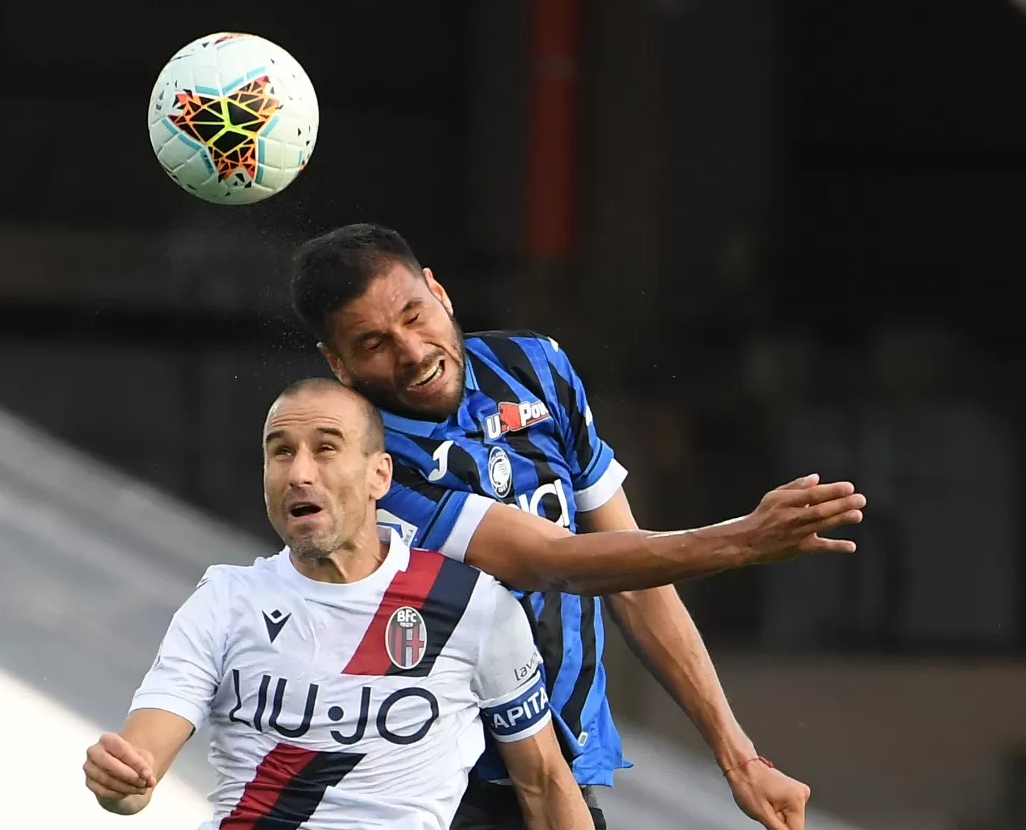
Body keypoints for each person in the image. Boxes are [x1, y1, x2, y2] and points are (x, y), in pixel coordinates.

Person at [289, 223, 868, 830]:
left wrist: (738, 756)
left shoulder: (535, 367)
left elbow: (634, 576)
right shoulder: (361, 458)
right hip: (428, 787)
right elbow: (555, 561)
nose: (411, 351)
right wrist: (742, 542)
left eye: (415, 314)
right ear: (339, 364)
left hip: (559, 771)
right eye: (374, 342)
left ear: (440, 292)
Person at [83, 378, 595, 829]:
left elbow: (545, 783)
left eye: (325, 449)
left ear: (380, 475)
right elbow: (141, 759)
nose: (299, 473)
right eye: (280, 452)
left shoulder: (471, 604)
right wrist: (121, 782)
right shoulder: (224, 600)